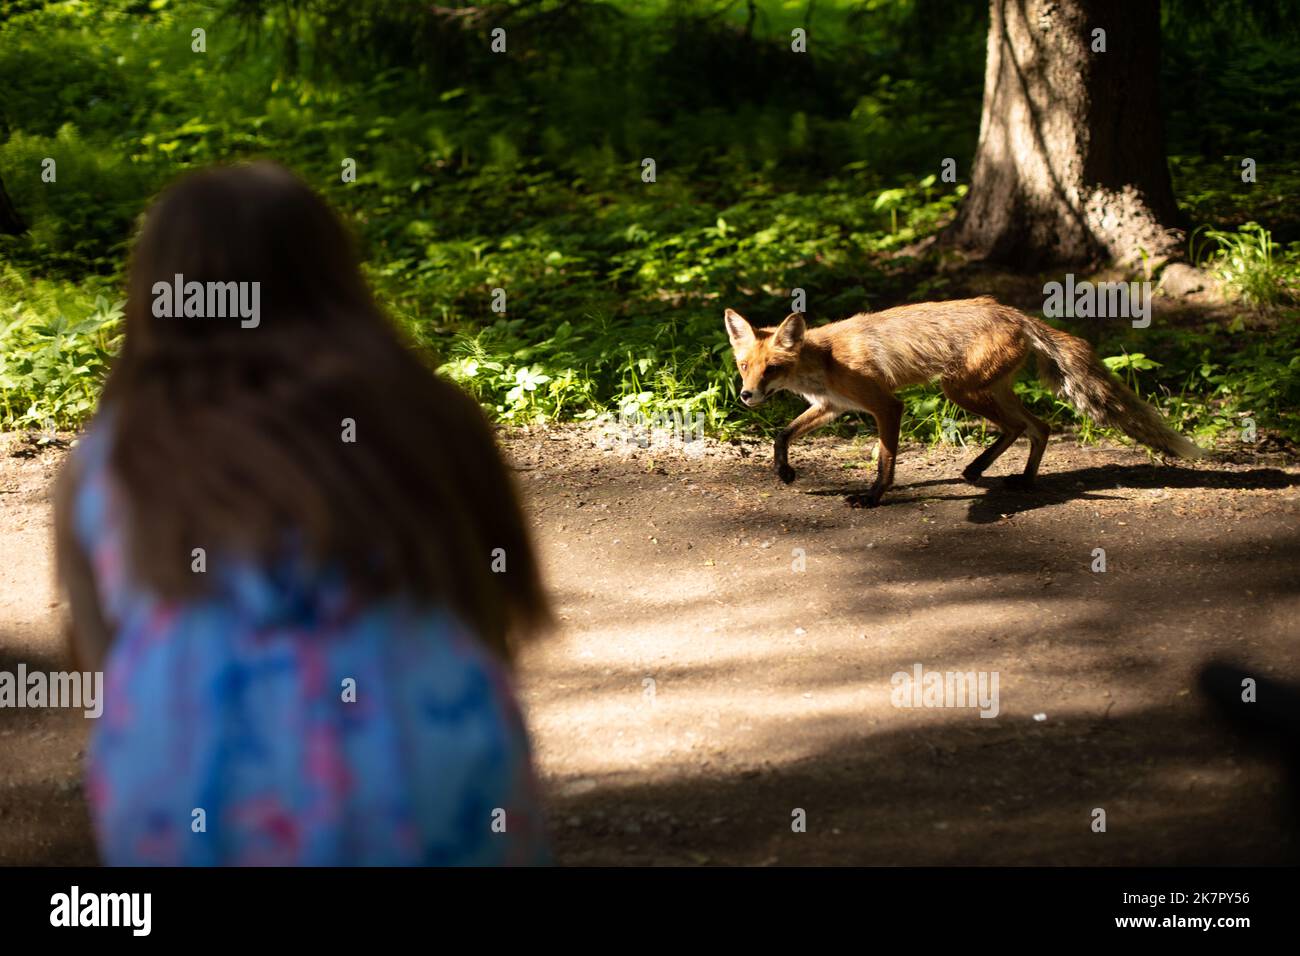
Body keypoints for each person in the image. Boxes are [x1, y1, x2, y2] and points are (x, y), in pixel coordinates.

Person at [54, 161, 551, 865]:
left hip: (190, 781)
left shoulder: (111, 461)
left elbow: (105, 667)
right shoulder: (432, 420)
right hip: (428, 764)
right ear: (334, 280)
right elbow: (491, 616)